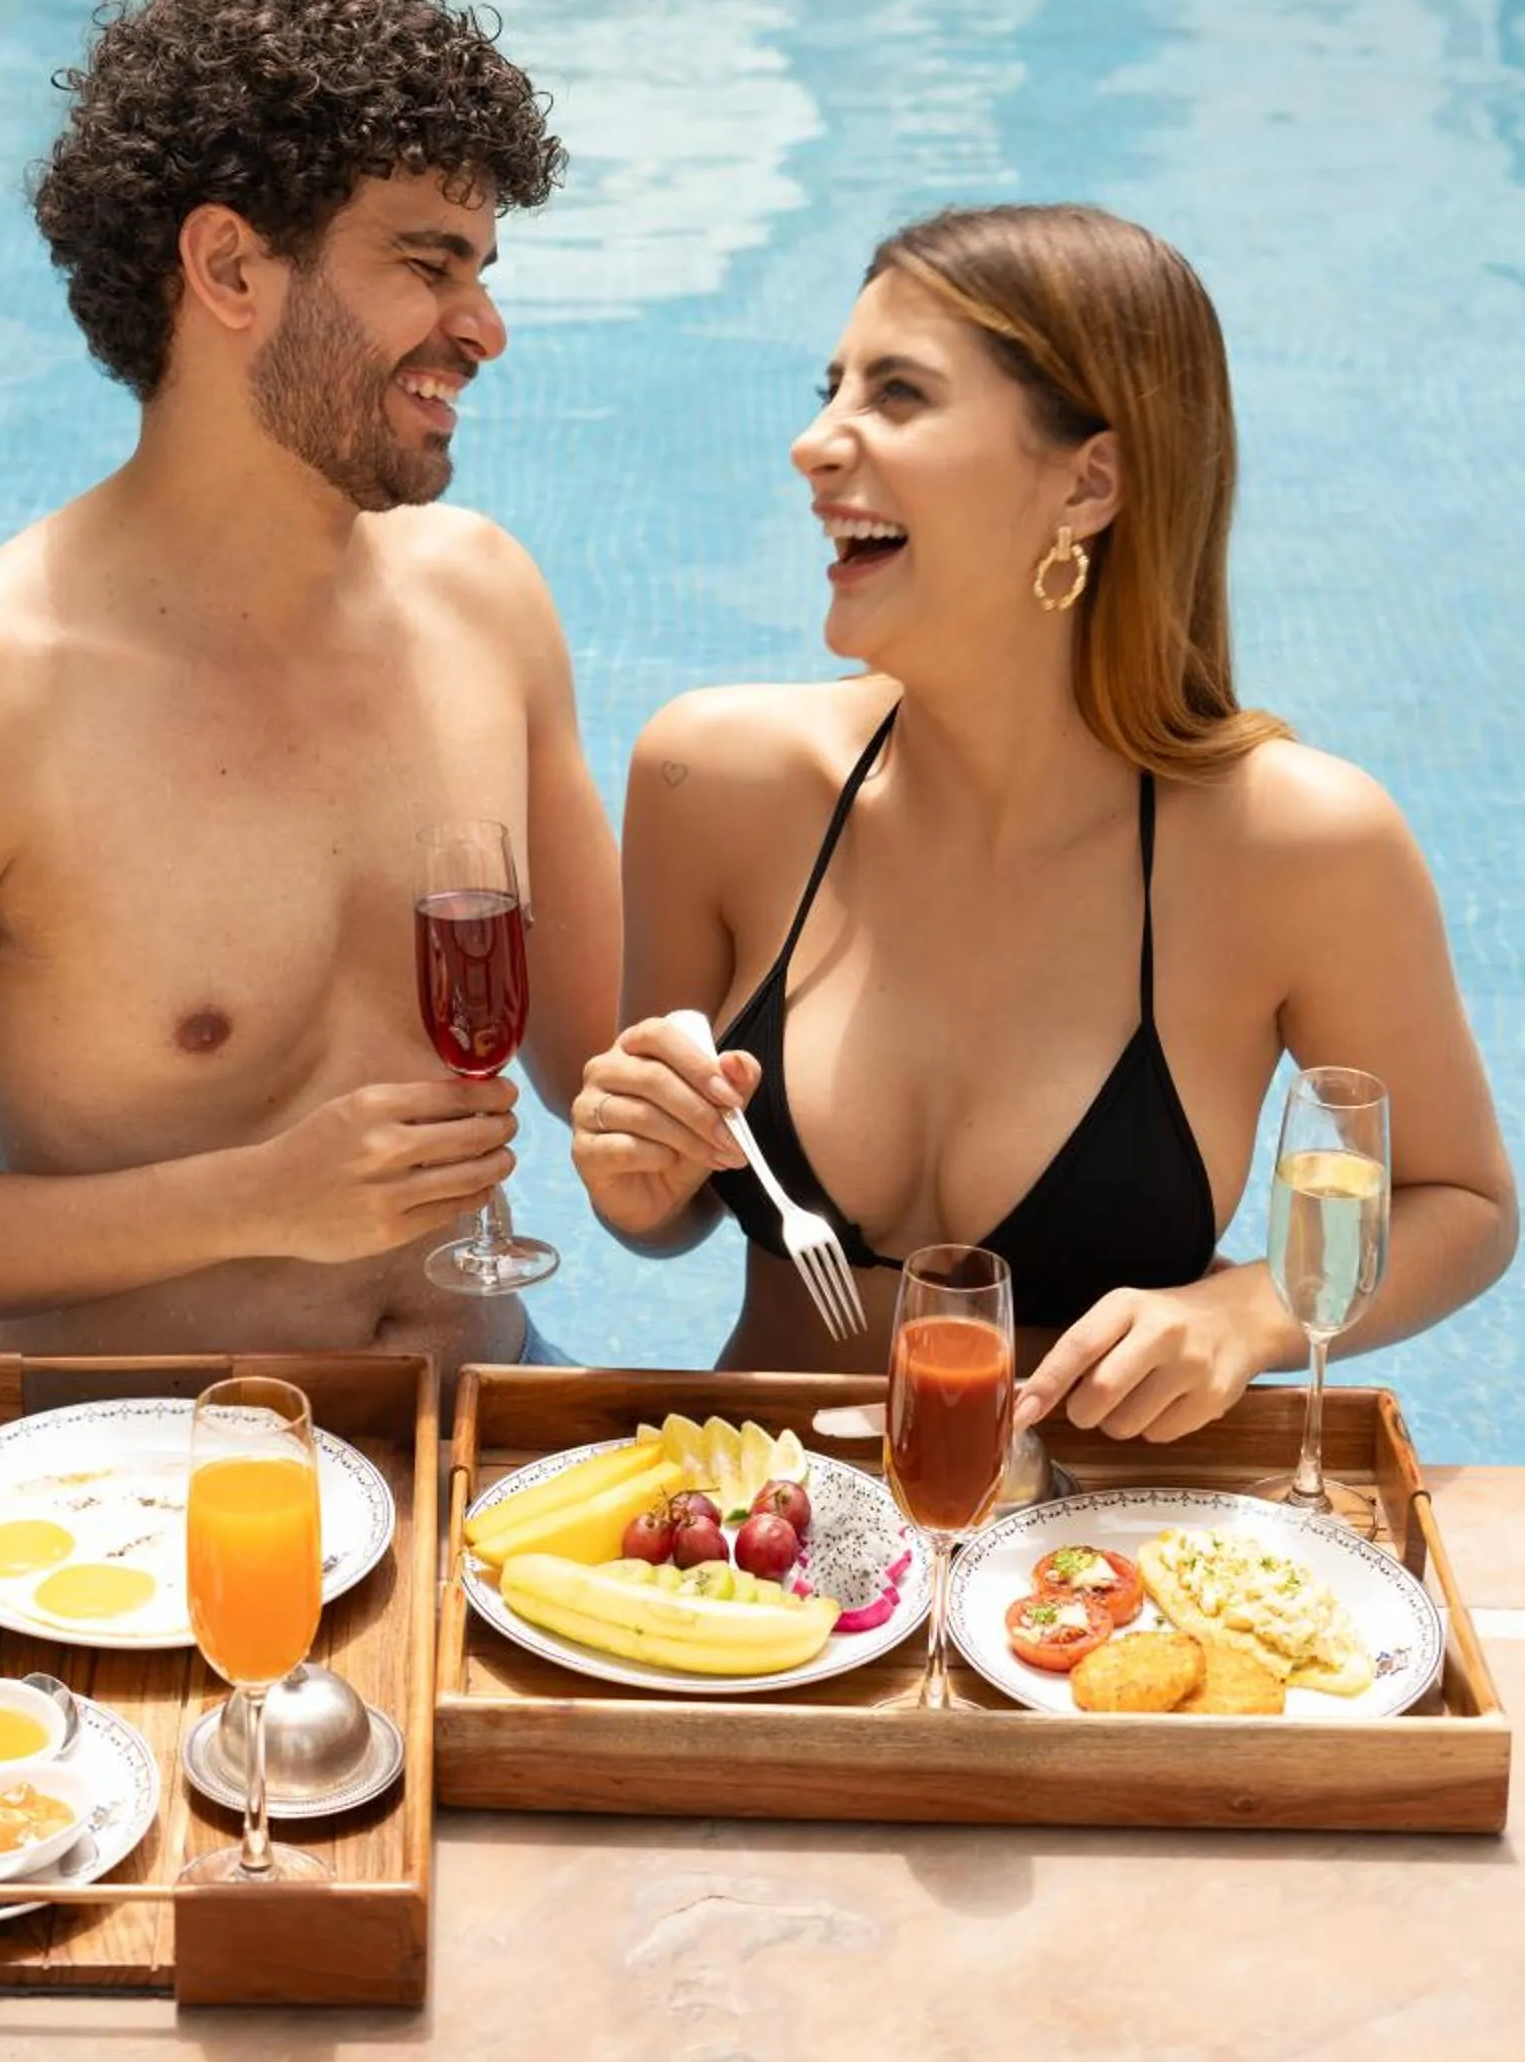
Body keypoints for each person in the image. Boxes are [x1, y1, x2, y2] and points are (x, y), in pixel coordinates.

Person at [0, 0, 618, 1376]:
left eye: (482, 271)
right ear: (226, 269)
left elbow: (593, 1070)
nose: (484, 328)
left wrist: (681, 1099)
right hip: (126, 1485)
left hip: (495, 1405)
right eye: (424, 264)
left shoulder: (487, 602)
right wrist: (254, 1201)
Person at [572, 203, 1515, 1441]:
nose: (813, 443)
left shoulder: (1299, 847)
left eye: (897, 395)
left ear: (1087, 482)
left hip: (1087, 1572)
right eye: (830, 387)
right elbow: (670, 1213)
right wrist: (635, 1176)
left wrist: (1250, 1312)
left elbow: (1460, 1201)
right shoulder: (715, 778)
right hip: (754, 1541)